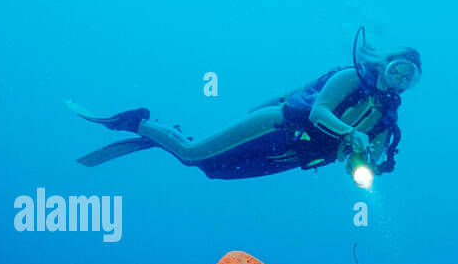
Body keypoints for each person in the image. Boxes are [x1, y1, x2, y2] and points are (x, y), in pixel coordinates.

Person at [68, 30, 419, 185]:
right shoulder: (350, 78)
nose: (400, 78)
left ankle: (164, 138)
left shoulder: (387, 121)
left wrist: (364, 163)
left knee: (213, 172)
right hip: (277, 128)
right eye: (397, 69)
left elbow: (361, 160)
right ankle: (138, 122)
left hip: (295, 157)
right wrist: (351, 132)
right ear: (385, 63)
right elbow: (318, 113)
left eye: (409, 76)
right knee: (192, 155)